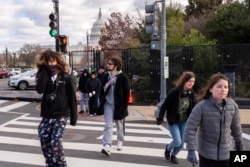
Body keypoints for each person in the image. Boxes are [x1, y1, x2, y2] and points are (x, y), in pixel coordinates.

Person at [184, 73, 243, 167]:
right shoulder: (201, 106)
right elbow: (190, 128)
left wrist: (239, 141)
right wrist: (191, 149)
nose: (223, 89)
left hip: (226, 153)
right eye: (219, 86)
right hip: (206, 154)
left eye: (226, 87)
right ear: (211, 89)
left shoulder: (233, 106)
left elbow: (236, 127)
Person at [35, 49, 77, 167]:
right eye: (48, 62)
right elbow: (40, 90)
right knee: (44, 140)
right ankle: (51, 164)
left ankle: (61, 164)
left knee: (55, 142)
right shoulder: (43, 74)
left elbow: (72, 97)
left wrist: (73, 117)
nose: (50, 64)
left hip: (61, 114)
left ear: (57, 61)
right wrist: (44, 71)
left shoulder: (65, 76)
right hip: (47, 114)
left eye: (53, 61)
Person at [156, 71, 196, 164]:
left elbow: (194, 108)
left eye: (193, 81)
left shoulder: (191, 94)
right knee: (177, 141)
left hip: (184, 121)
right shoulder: (175, 92)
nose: (191, 83)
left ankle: (174, 155)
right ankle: (168, 148)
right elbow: (164, 105)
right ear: (184, 81)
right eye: (189, 81)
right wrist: (160, 118)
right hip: (173, 121)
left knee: (182, 144)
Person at [99, 56, 130, 156]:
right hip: (108, 104)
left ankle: (120, 140)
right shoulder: (105, 76)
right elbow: (101, 90)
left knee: (119, 125)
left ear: (116, 66)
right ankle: (107, 145)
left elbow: (126, 93)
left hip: (119, 105)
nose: (108, 65)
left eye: (110, 64)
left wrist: (124, 107)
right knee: (108, 125)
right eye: (108, 63)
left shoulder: (123, 77)